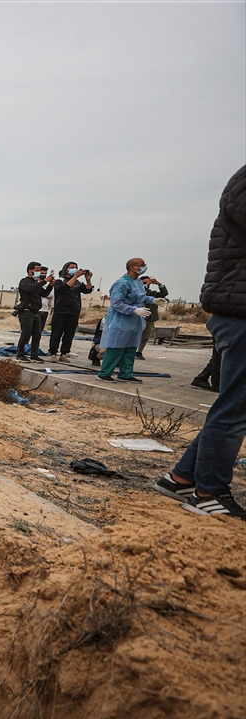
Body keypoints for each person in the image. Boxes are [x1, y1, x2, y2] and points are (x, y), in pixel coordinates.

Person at [153, 165, 246, 519]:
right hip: (239, 312)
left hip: (233, 310)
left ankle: (181, 478)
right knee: (235, 407)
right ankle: (209, 492)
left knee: (234, 404)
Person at [96, 258, 157, 383]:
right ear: (132, 267)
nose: (144, 267)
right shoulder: (122, 283)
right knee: (116, 346)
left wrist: (153, 300)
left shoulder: (138, 282)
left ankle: (125, 373)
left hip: (135, 320)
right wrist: (133, 310)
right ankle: (105, 372)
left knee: (131, 347)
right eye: (142, 265)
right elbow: (116, 303)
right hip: (122, 319)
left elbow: (141, 297)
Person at [47, 262, 94, 362]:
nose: (74, 269)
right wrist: (75, 276)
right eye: (72, 268)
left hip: (74, 312)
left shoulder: (77, 283)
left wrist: (88, 280)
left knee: (69, 334)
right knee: (57, 333)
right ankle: (53, 353)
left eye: (75, 268)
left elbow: (87, 290)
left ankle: (64, 353)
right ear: (66, 269)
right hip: (61, 311)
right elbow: (64, 288)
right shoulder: (59, 281)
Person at [14, 262, 53, 363]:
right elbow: (30, 289)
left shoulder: (36, 283)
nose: (39, 272)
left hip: (36, 312)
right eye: (37, 270)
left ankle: (34, 355)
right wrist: (44, 281)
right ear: (30, 271)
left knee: (37, 335)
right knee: (26, 334)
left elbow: (44, 293)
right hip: (26, 311)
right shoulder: (25, 281)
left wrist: (50, 285)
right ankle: (20, 354)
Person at [136, 275, 169, 359]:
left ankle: (139, 352)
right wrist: (146, 285)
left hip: (150, 318)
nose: (147, 284)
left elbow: (164, 293)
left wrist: (159, 284)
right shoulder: (138, 291)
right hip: (139, 317)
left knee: (146, 336)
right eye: (144, 283)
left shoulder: (152, 293)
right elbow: (141, 293)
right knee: (135, 336)